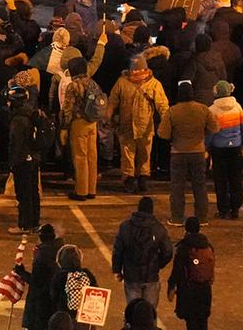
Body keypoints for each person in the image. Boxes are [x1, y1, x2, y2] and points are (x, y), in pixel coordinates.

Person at [107, 54, 170, 193]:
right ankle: (131, 177)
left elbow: (162, 105)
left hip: (142, 126)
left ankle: (141, 177)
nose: (137, 73)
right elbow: (113, 101)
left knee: (142, 153)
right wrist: (108, 116)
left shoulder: (151, 84)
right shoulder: (124, 82)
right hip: (130, 125)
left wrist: (167, 119)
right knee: (130, 153)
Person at [158, 81, 218, 225]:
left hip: (178, 152)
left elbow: (163, 134)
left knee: (177, 187)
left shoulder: (172, 111)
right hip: (198, 152)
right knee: (200, 186)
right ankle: (202, 217)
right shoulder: (203, 109)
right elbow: (214, 128)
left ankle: (177, 218)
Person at [112, 197, 174, 311]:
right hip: (151, 277)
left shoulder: (125, 227)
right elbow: (168, 251)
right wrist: (157, 264)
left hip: (131, 276)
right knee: (150, 313)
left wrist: (117, 269)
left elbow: (118, 250)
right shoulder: (158, 228)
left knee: (132, 312)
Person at [62, 54, 106, 200]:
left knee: (80, 156)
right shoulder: (93, 83)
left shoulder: (73, 85)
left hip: (79, 123)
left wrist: (64, 126)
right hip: (92, 123)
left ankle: (81, 191)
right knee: (92, 156)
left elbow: (68, 108)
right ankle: (91, 189)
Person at [207, 80, 243, 219]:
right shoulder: (238, 107)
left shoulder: (212, 110)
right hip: (235, 147)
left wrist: (208, 146)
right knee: (235, 178)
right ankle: (235, 208)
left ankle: (223, 209)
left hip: (219, 148)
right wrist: (238, 140)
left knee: (221, 180)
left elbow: (211, 132)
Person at [17, 223, 66, 330]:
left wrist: (22, 273)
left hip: (41, 302)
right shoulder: (61, 250)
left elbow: (37, 282)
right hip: (55, 300)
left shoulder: (42, 255)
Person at [167, 217, 214, 330]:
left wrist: (171, 286)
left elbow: (177, 270)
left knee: (191, 323)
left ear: (186, 229)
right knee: (203, 322)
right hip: (205, 289)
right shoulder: (208, 246)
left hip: (189, 290)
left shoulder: (184, 247)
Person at [7, 84, 43, 234]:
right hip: (34, 157)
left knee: (23, 193)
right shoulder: (32, 114)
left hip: (22, 159)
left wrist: (12, 163)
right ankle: (34, 222)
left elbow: (17, 143)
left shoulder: (18, 119)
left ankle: (24, 225)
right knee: (33, 191)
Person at [52, 244, 98, 322]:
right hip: (85, 318)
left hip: (66, 318)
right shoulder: (87, 273)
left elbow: (54, 296)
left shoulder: (60, 276)